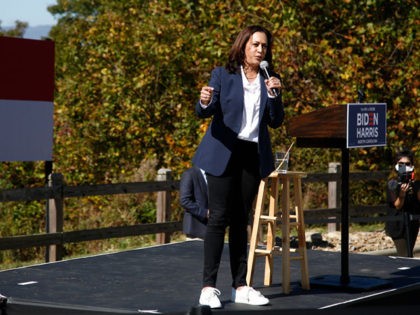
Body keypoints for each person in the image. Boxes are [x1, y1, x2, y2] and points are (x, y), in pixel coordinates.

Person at [192, 25, 284, 308]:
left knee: (241, 220)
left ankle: (240, 286)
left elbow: (276, 120)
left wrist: (275, 96)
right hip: (224, 151)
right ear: (243, 45)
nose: (260, 50)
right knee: (218, 217)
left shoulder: (270, 79)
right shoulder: (223, 74)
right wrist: (204, 100)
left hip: (250, 154)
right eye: (255, 44)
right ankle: (208, 288)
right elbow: (205, 110)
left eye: (264, 46)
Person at [385, 149, 420, 257]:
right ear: (396, 165)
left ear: (412, 166)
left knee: (409, 253)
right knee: (405, 256)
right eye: (401, 164)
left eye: (407, 164)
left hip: (412, 223)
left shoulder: (416, 183)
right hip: (397, 224)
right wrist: (402, 194)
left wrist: (414, 184)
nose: (404, 167)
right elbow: (397, 205)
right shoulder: (392, 183)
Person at [180, 166, 208, 240]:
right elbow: (185, 201)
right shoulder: (189, 174)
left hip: (211, 229)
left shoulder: (213, 175)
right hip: (195, 229)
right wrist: (205, 213)